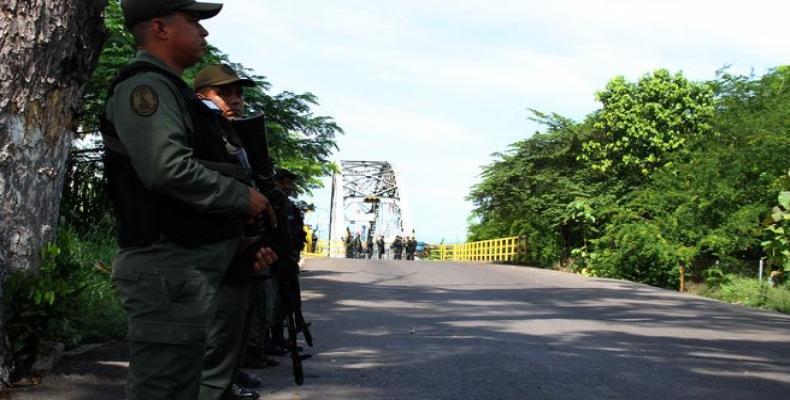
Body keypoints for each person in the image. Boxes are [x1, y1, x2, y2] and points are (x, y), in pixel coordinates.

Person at [102, 2, 277, 399]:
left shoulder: (175, 92)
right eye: (194, 21)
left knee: (191, 385)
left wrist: (240, 245)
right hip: (168, 264)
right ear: (160, 28)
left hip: (186, 264)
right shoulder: (145, 87)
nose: (204, 32)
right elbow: (167, 169)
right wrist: (240, 198)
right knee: (164, 390)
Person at [193, 63, 264, 400]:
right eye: (224, 93)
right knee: (215, 332)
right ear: (201, 96)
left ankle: (224, 382)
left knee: (232, 327)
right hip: (206, 245)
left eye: (238, 93)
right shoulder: (201, 129)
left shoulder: (234, 135)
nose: (235, 99)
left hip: (234, 242)